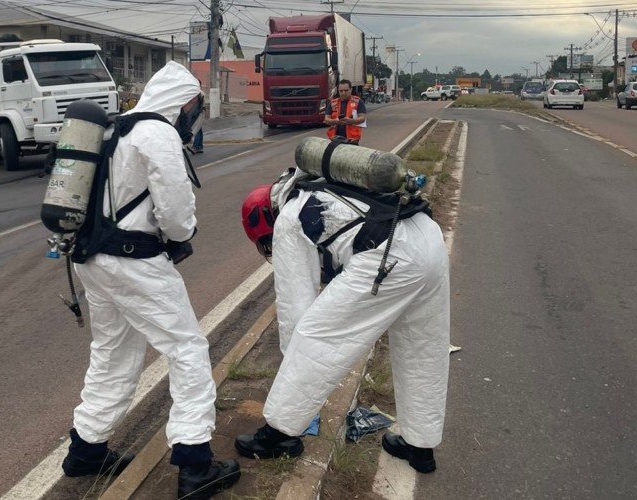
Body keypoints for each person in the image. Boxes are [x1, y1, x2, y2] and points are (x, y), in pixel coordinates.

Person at [63, 61, 240, 499]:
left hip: (92, 260)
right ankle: (195, 463)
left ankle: (86, 448)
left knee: (113, 352)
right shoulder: (157, 133)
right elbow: (177, 214)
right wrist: (180, 236)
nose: (193, 114)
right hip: (133, 261)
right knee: (187, 349)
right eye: (194, 106)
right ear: (182, 102)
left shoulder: (111, 129)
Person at [237, 165, 450, 474]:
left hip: (390, 257)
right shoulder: (322, 188)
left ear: (263, 220)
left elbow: (295, 309)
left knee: (316, 337)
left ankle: (279, 435)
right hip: (429, 240)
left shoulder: (287, 216)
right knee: (423, 348)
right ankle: (420, 446)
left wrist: (294, 358)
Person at [323, 79, 367, 145]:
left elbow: (362, 118)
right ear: (338, 91)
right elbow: (326, 119)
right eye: (341, 91)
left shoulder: (358, 101)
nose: (343, 93)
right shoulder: (333, 103)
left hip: (352, 140)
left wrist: (351, 121)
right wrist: (335, 121)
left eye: (346, 90)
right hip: (335, 139)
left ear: (351, 90)